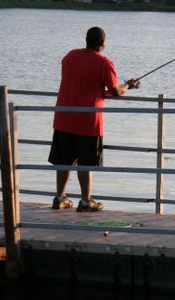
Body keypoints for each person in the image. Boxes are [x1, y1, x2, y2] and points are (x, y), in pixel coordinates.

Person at [48, 26, 139, 212]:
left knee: (63, 161)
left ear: (86, 40)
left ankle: (60, 197)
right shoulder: (105, 63)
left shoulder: (70, 56)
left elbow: (82, 84)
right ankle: (85, 201)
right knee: (86, 163)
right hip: (88, 121)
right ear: (102, 43)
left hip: (64, 116)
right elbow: (115, 91)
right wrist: (128, 85)